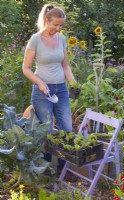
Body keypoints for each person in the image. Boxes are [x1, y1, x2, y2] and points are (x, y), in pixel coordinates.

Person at [22, 4, 76, 164]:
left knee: (67, 128)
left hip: (61, 89)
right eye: (55, 24)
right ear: (47, 20)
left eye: (61, 25)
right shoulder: (36, 39)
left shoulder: (62, 39)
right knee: (46, 130)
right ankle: (45, 168)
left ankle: (63, 167)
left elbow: (65, 65)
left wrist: (73, 83)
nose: (58, 28)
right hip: (42, 92)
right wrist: (39, 82)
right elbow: (26, 68)